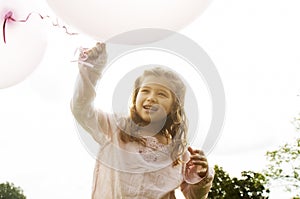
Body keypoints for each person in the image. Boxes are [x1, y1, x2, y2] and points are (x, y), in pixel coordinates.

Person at [71, 42, 214, 199]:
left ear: (174, 106)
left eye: (162, 94)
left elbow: (194, 196)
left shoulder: (178, 152)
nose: (151, 98)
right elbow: (81, 108)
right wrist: (91, 71)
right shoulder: (116, 128)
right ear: (135, 97)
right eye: (145, 90)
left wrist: (201, 175)